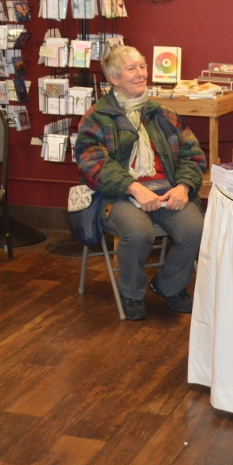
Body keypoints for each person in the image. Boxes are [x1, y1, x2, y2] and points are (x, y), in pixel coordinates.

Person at [75, 45, 206, 321]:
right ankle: (131, 292)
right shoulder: (97, 117)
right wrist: (133, 187)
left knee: (196, 228)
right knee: (138, 232)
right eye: (131, 69)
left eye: (142, 67)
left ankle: (169, 285)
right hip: (119, 196)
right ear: (113, 79)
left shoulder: (163, 114)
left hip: (167, 191)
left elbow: (192, 154)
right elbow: (94, 164)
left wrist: (183, 186)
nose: (140, 74)